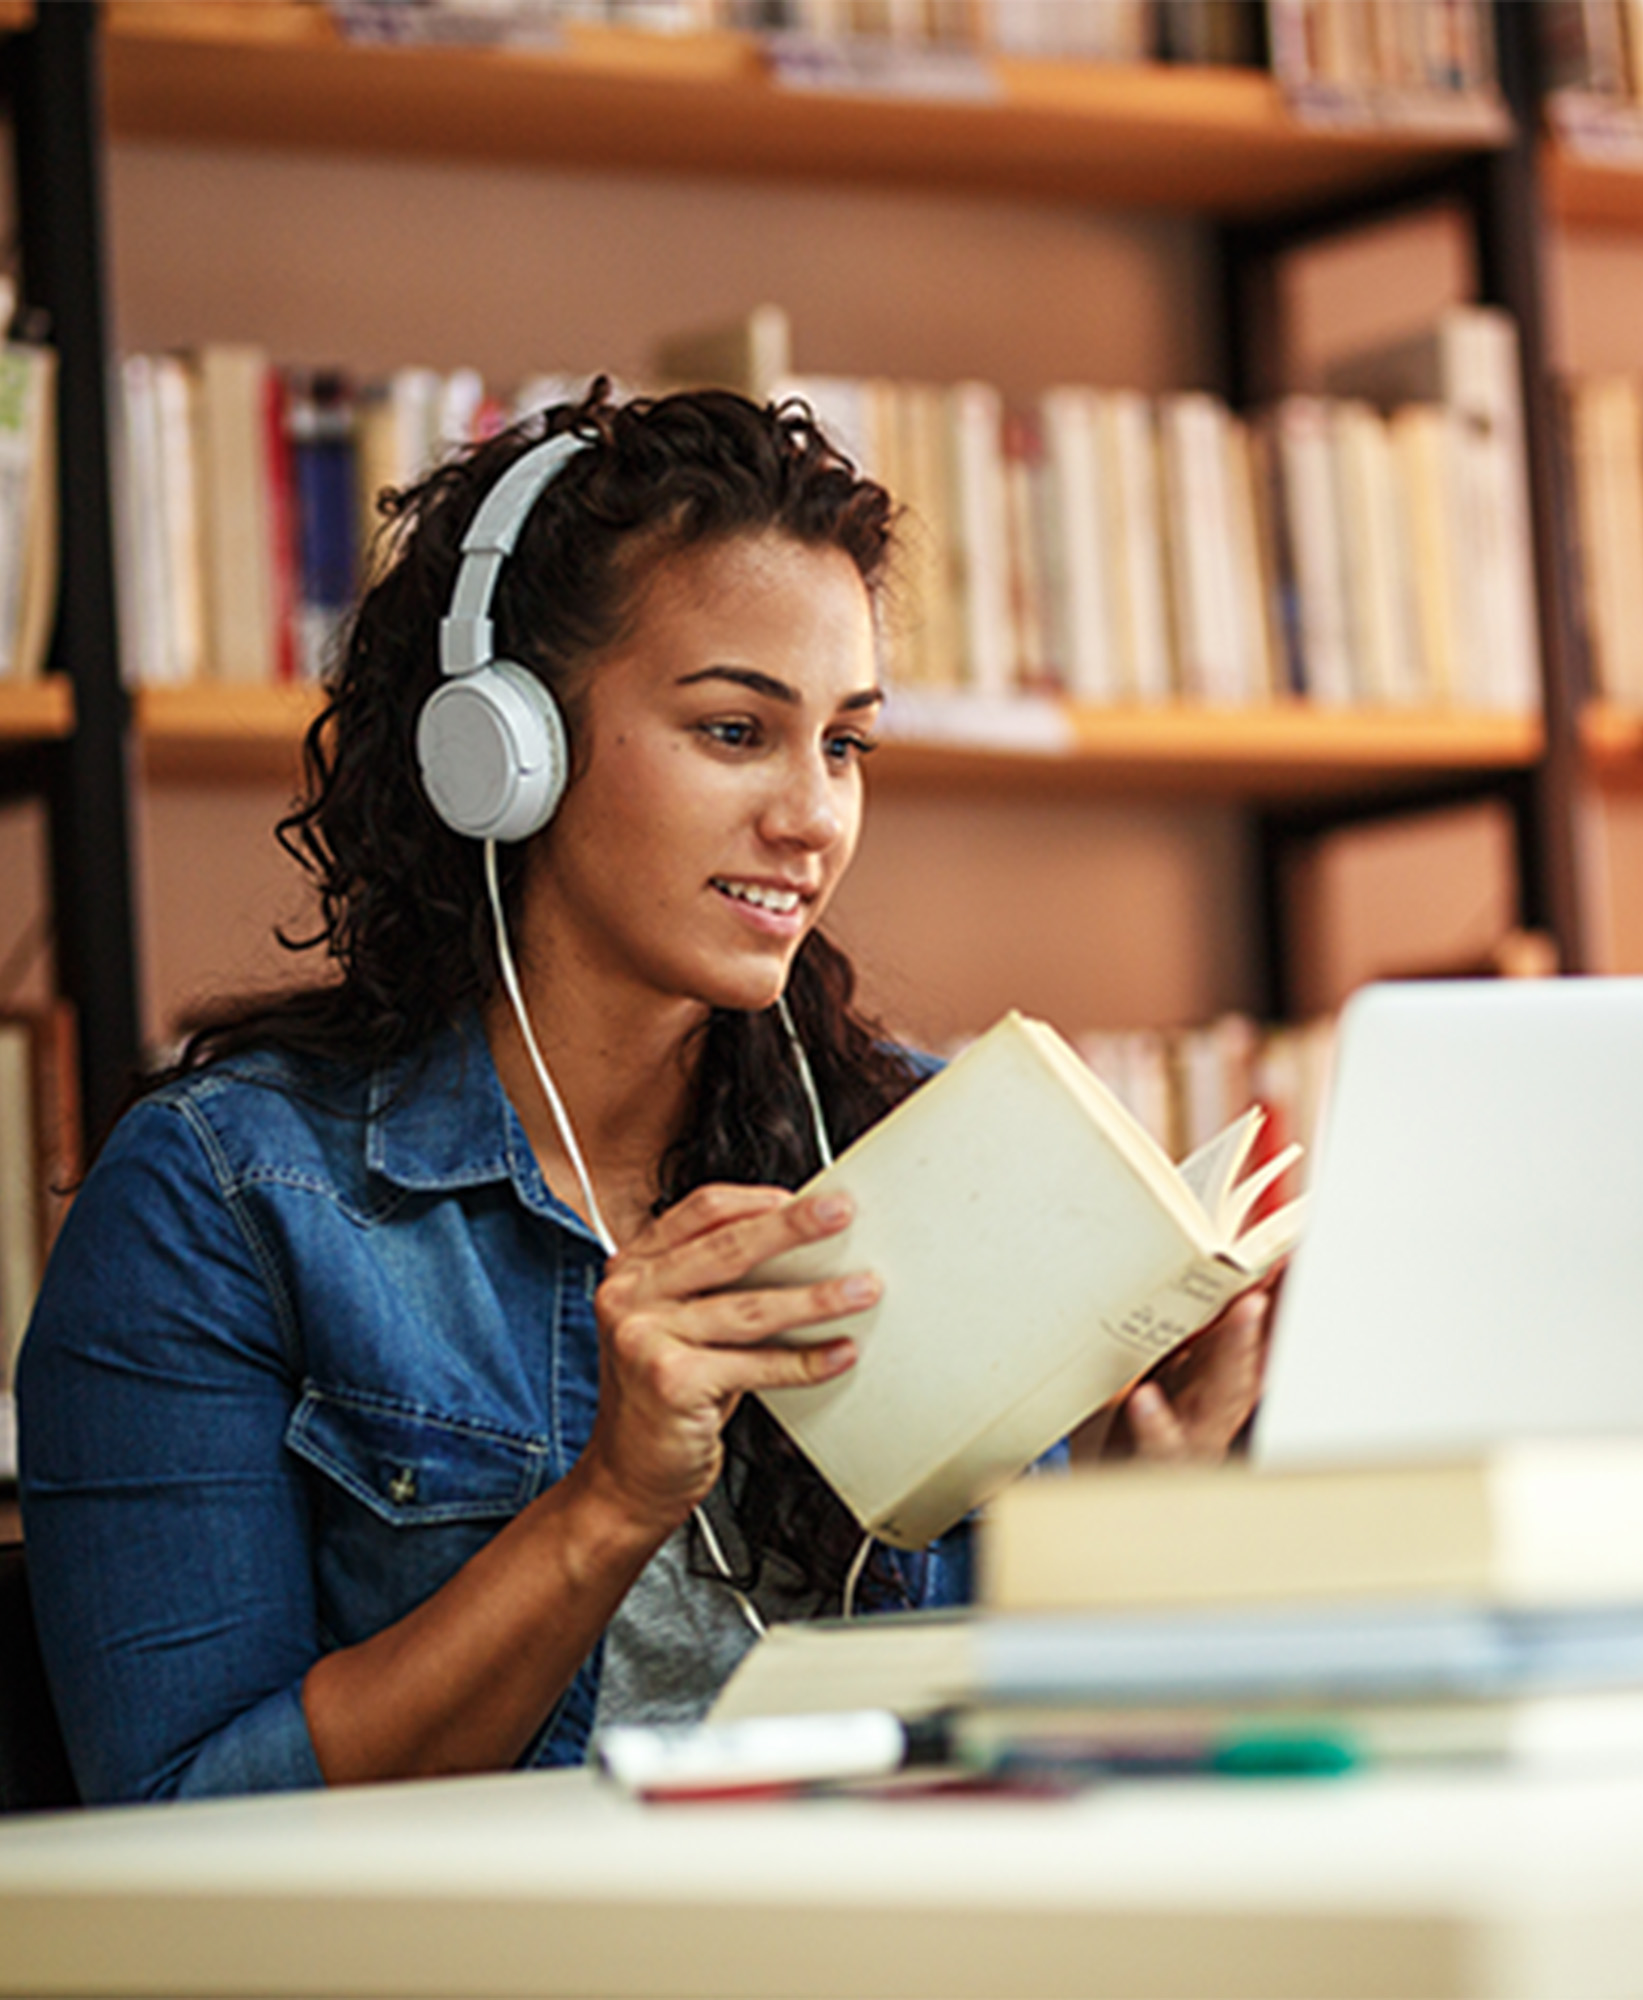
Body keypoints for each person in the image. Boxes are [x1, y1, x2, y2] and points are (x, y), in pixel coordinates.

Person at [17, 385, 1270, 1805]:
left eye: (844, 744)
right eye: (737, 731)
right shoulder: (227, 1200)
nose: (811, 817)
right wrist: (610, 1500)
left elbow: (983, 1769)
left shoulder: (922, 1149)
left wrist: (1120, 1518)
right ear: (502, 750)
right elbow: (182, 1822)